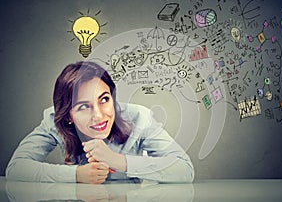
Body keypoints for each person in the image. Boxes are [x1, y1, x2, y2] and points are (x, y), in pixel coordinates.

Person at [6, 61, 194, 184]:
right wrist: (76, 175)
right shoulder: (54, 121)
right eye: (83, 106)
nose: (98, 115)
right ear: (69, 115)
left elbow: (184, 169)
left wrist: (118, 161)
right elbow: (16, 168)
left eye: (104, 99)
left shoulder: (139, 117)